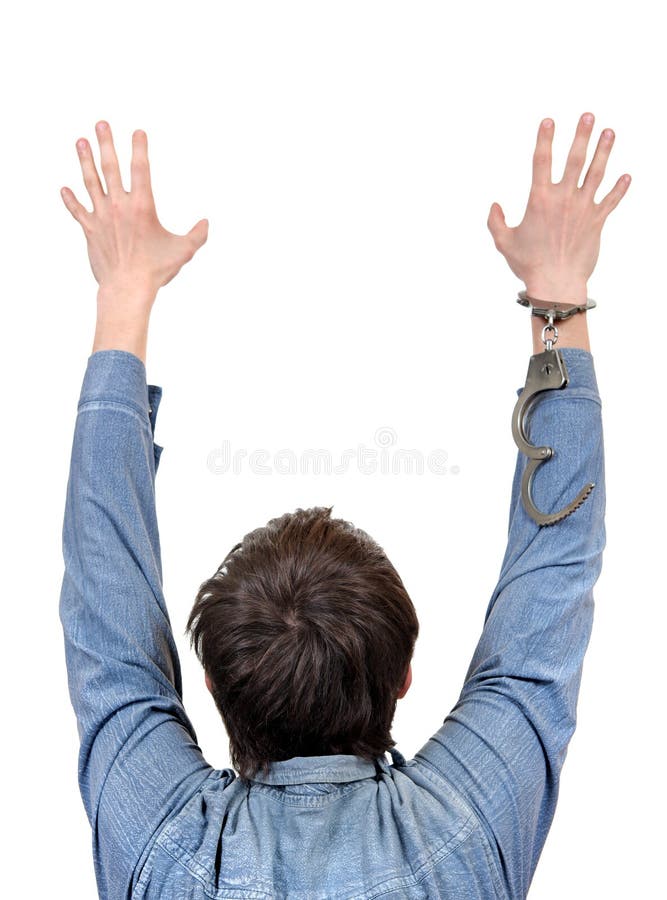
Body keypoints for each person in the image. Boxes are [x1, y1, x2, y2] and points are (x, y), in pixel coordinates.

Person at [58, 113, 630, 900]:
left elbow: (105, 600)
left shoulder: (163, 845)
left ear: (218, 693)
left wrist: (123, 295)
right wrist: (557, 298)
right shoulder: (467, 828)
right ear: (402, 676)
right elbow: (551, 578)